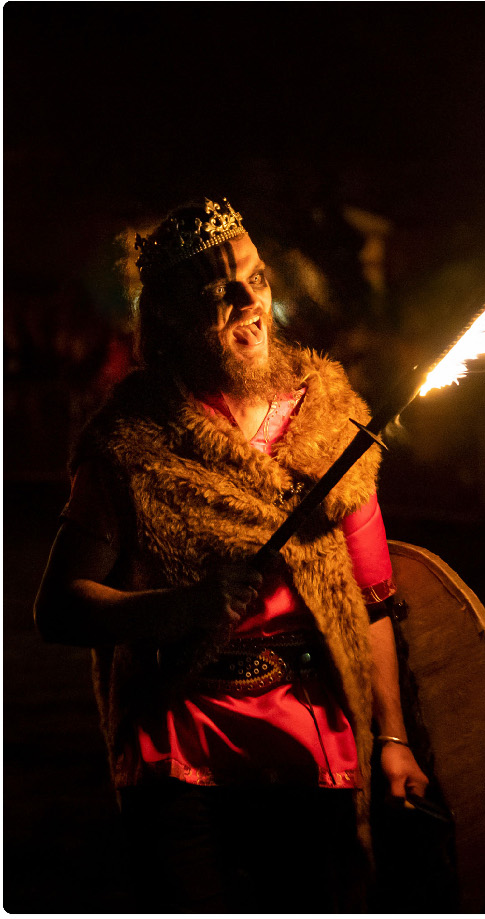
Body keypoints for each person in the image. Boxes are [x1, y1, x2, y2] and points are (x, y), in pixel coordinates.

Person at [33, 199, 428, 911]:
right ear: (176, 317)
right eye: (223, 289)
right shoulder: (130, 446)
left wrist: (392, 737)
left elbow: (372, 603)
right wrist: (181, 606)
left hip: (313, 743)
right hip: (181, 747)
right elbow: (59, 605)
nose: (251, 302)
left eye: (257, 278)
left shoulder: (329, 421)